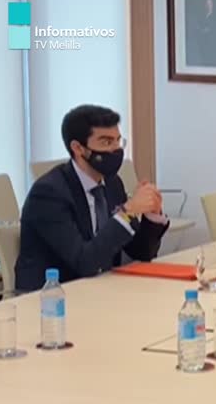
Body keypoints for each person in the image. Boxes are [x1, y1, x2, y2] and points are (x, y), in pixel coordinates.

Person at [15, 105, 169, 291]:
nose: (115, 149)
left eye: (118, 141)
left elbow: (140, 252)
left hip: (100, 290)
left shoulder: (112, 184)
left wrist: (152, 214)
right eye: (106, 142)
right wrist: (128, 211)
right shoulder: (49, 194)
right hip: (53, 297)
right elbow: (85, 262)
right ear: (78, 148)